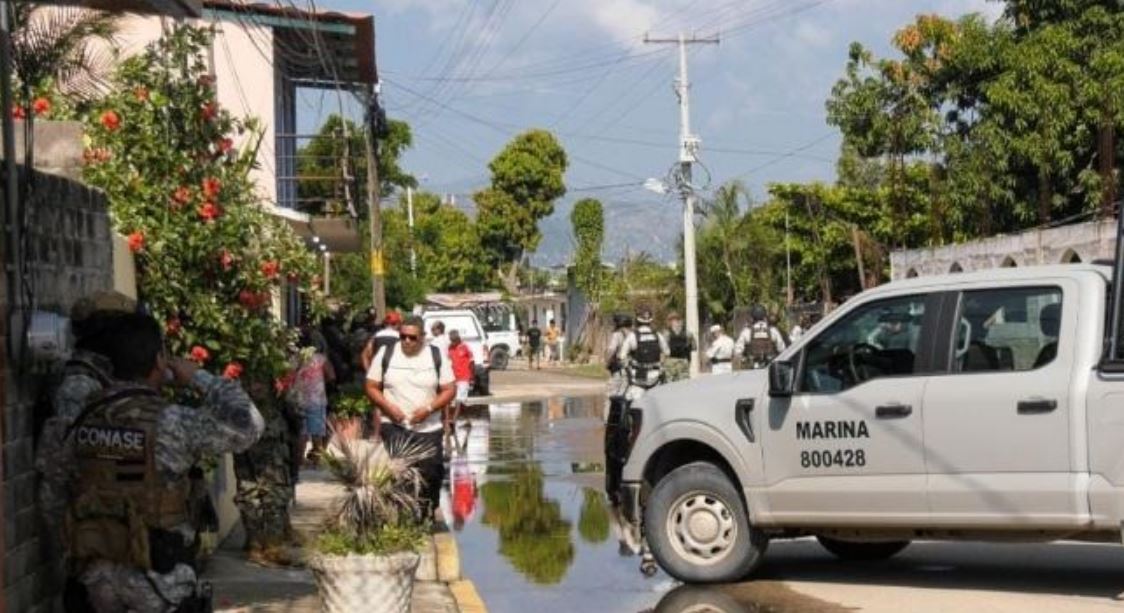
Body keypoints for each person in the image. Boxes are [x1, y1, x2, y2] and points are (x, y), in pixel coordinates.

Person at [58, 312, 264, 612]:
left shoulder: (80, 417)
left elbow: (55, 490)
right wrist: (198, 377)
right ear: (159, 361)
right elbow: (250, 426)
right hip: (159, 582)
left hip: (93, 579)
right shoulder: (170, 422)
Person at [365, 315, 455, 517]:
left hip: (428, 428)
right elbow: (371, 386)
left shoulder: (435, 355)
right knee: (403, 472)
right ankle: (405, 516)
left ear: (422, 337)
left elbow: (449, 389)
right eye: (403, 336)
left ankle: (427, 510)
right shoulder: (386, 354)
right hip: (395, 426)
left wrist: (429, 409)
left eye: (412, 338)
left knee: (431, 472)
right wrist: (388, 407)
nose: (407, 341)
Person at [291, 338, 336, 467]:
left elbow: (288, 376)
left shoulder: (295, 359)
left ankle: (299, 461)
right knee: (317, 432)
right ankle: (316, 460)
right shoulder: (321, 359)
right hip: (317, 399)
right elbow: (331, 376)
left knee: (302, 432)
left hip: (298, 399)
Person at [619, 309, 669, 392]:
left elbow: (622, 356)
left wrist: (628, 369)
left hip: (638, 379)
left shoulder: (632, 336)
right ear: (650, 321)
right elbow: (667, 352)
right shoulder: (657, 335)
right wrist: (660, 365)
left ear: (637, 321)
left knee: (636, 403)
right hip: (655, 378)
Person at [735, 304, 787, 369]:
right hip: (770, 367)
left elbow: (737, 351)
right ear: (764, 316)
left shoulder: (747, 331)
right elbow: (782, 349)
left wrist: (743, 359)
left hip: (753, 368)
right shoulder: (773, 330)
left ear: (752, 317)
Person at [447, 329, 474, 429]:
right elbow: (449, 362)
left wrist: (472, 377)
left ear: (458, 338)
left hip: (464, 377)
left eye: (454, 340)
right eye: (451, 340)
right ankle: (468, 420)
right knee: (460, 401)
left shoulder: (465, 347)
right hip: (454, 378)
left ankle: (453, 421)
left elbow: (472, 362)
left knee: (459, 400)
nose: (452, 342)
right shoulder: (450, 348)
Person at [663, 312, 696, 382]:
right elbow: (694, 347)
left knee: (670, 384)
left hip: (671, 361)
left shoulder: (666, 333)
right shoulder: (688, 333)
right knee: (683, 384)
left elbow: (663, 349)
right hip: (682, 361)